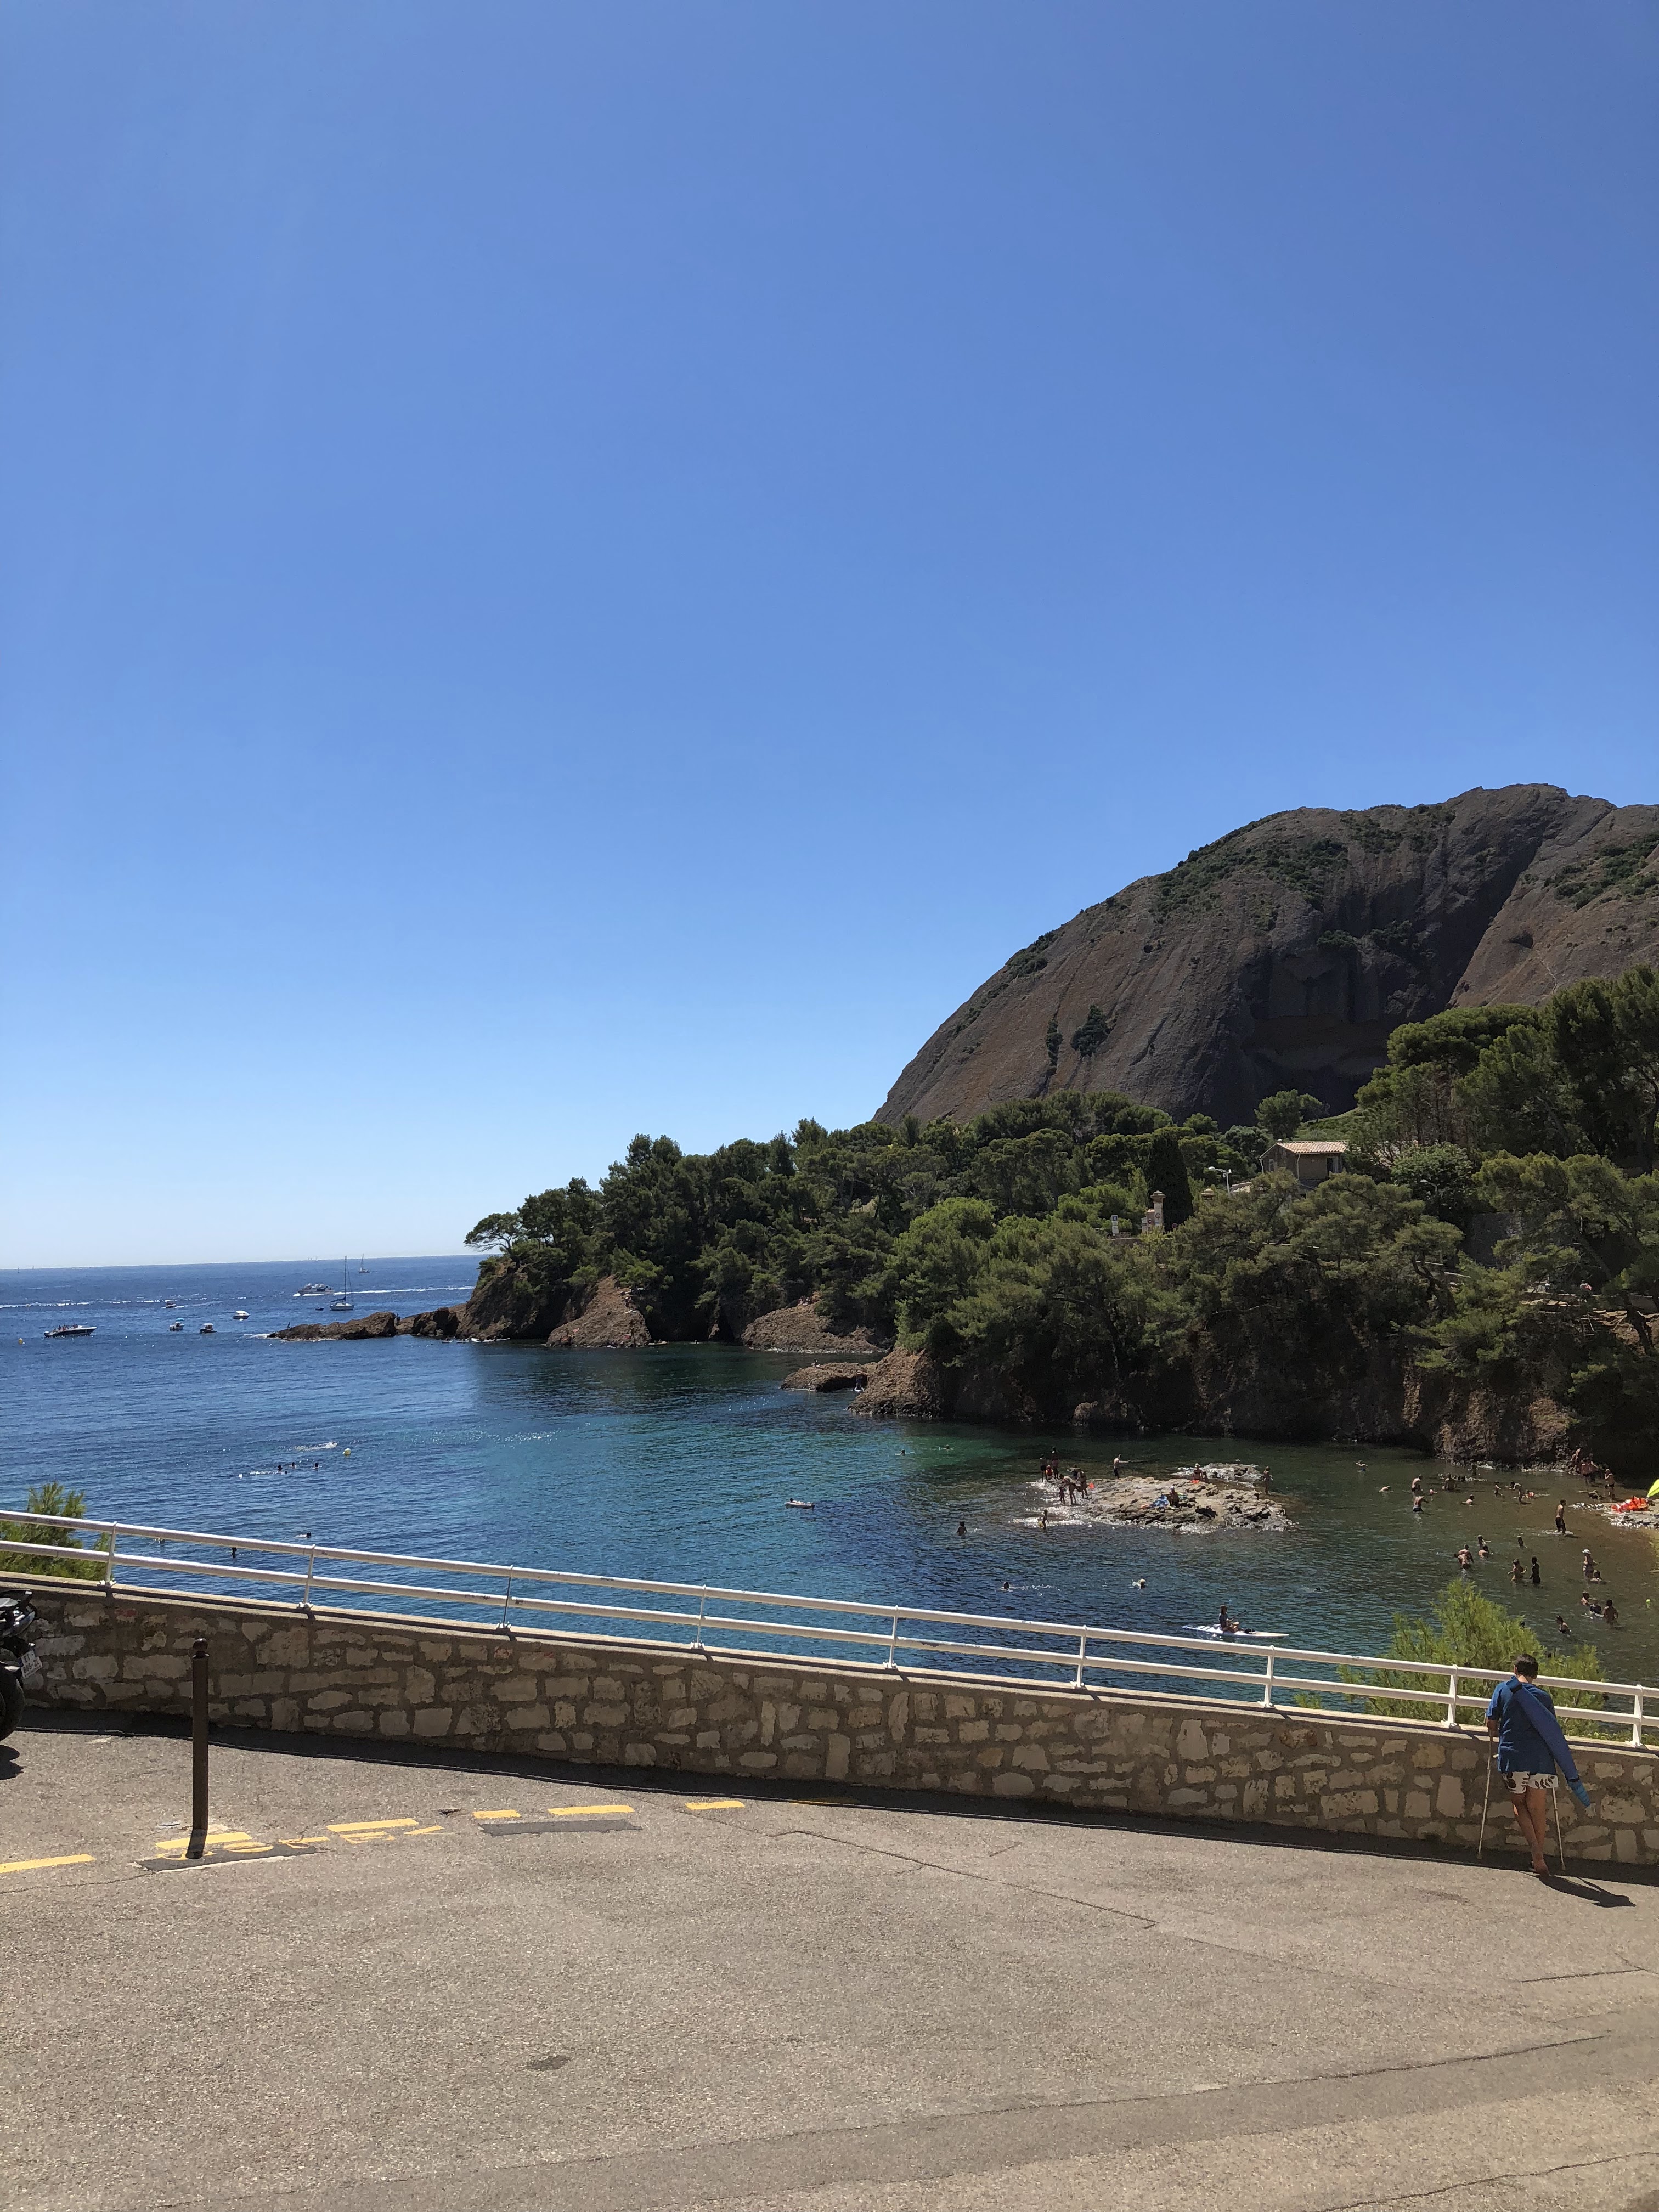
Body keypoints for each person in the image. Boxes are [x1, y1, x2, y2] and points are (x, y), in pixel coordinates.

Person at [1486, 1655, 1566, 1877]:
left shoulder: (1503, 1690)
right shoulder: (1544, 1697)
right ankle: (1538, 1857)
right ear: (1536, 1675)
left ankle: (1536, 1853)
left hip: (1514, 1757)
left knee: (1519, 1804)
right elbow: (1551, 1729)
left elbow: (1491, 1723)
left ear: (1515, 1670)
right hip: (1541, 1760)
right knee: (1537, 1807)